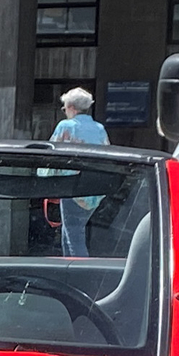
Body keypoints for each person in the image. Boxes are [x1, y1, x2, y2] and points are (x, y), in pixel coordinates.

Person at [49, 88, 109, 253]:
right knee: (70, 232)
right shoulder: (99, 128)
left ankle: (79, 272)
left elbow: (51, 154)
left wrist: (44, 177)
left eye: (65, 108)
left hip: (72, 187)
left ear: (70, 107)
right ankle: (68, 268)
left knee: (73, 235)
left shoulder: (66, 126)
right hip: (95, 189)